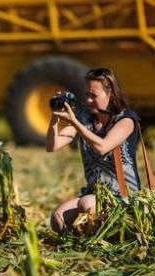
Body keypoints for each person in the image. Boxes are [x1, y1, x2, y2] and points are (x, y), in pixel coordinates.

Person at [46, 67, 140, 234]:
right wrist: (55, 117)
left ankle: (102, 243)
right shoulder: (85, 118)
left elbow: (102, 147)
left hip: (123, 197)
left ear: (111, 94)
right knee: (58, 218)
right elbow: (52, 146)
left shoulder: (126, 120)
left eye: (94, 95)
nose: (88, 100)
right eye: (86, 95)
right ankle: (86, 238)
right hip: (94, 194)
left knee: (86, 204)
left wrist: (75, 122)